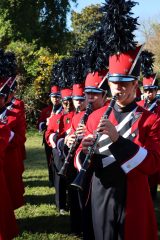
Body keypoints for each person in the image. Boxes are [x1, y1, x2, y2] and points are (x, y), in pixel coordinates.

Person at [138, 72, 160, 200]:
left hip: (154, 142)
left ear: (156, 91)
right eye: (146, 90)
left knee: (153, 173)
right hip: (140, 142)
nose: (149, 93)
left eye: (152, 90)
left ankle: (151, 196)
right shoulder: (138, 105)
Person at [38, 85, 62, 187]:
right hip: (47, 138)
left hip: (58, 139)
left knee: (58, 159)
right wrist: (45, 123)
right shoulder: (46, 110)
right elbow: (39, 124)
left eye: (57, 97)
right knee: (49, 159)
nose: (55, 99)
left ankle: (59, 180)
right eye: (53, 97)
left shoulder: (64, 109)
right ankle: (51, 179)